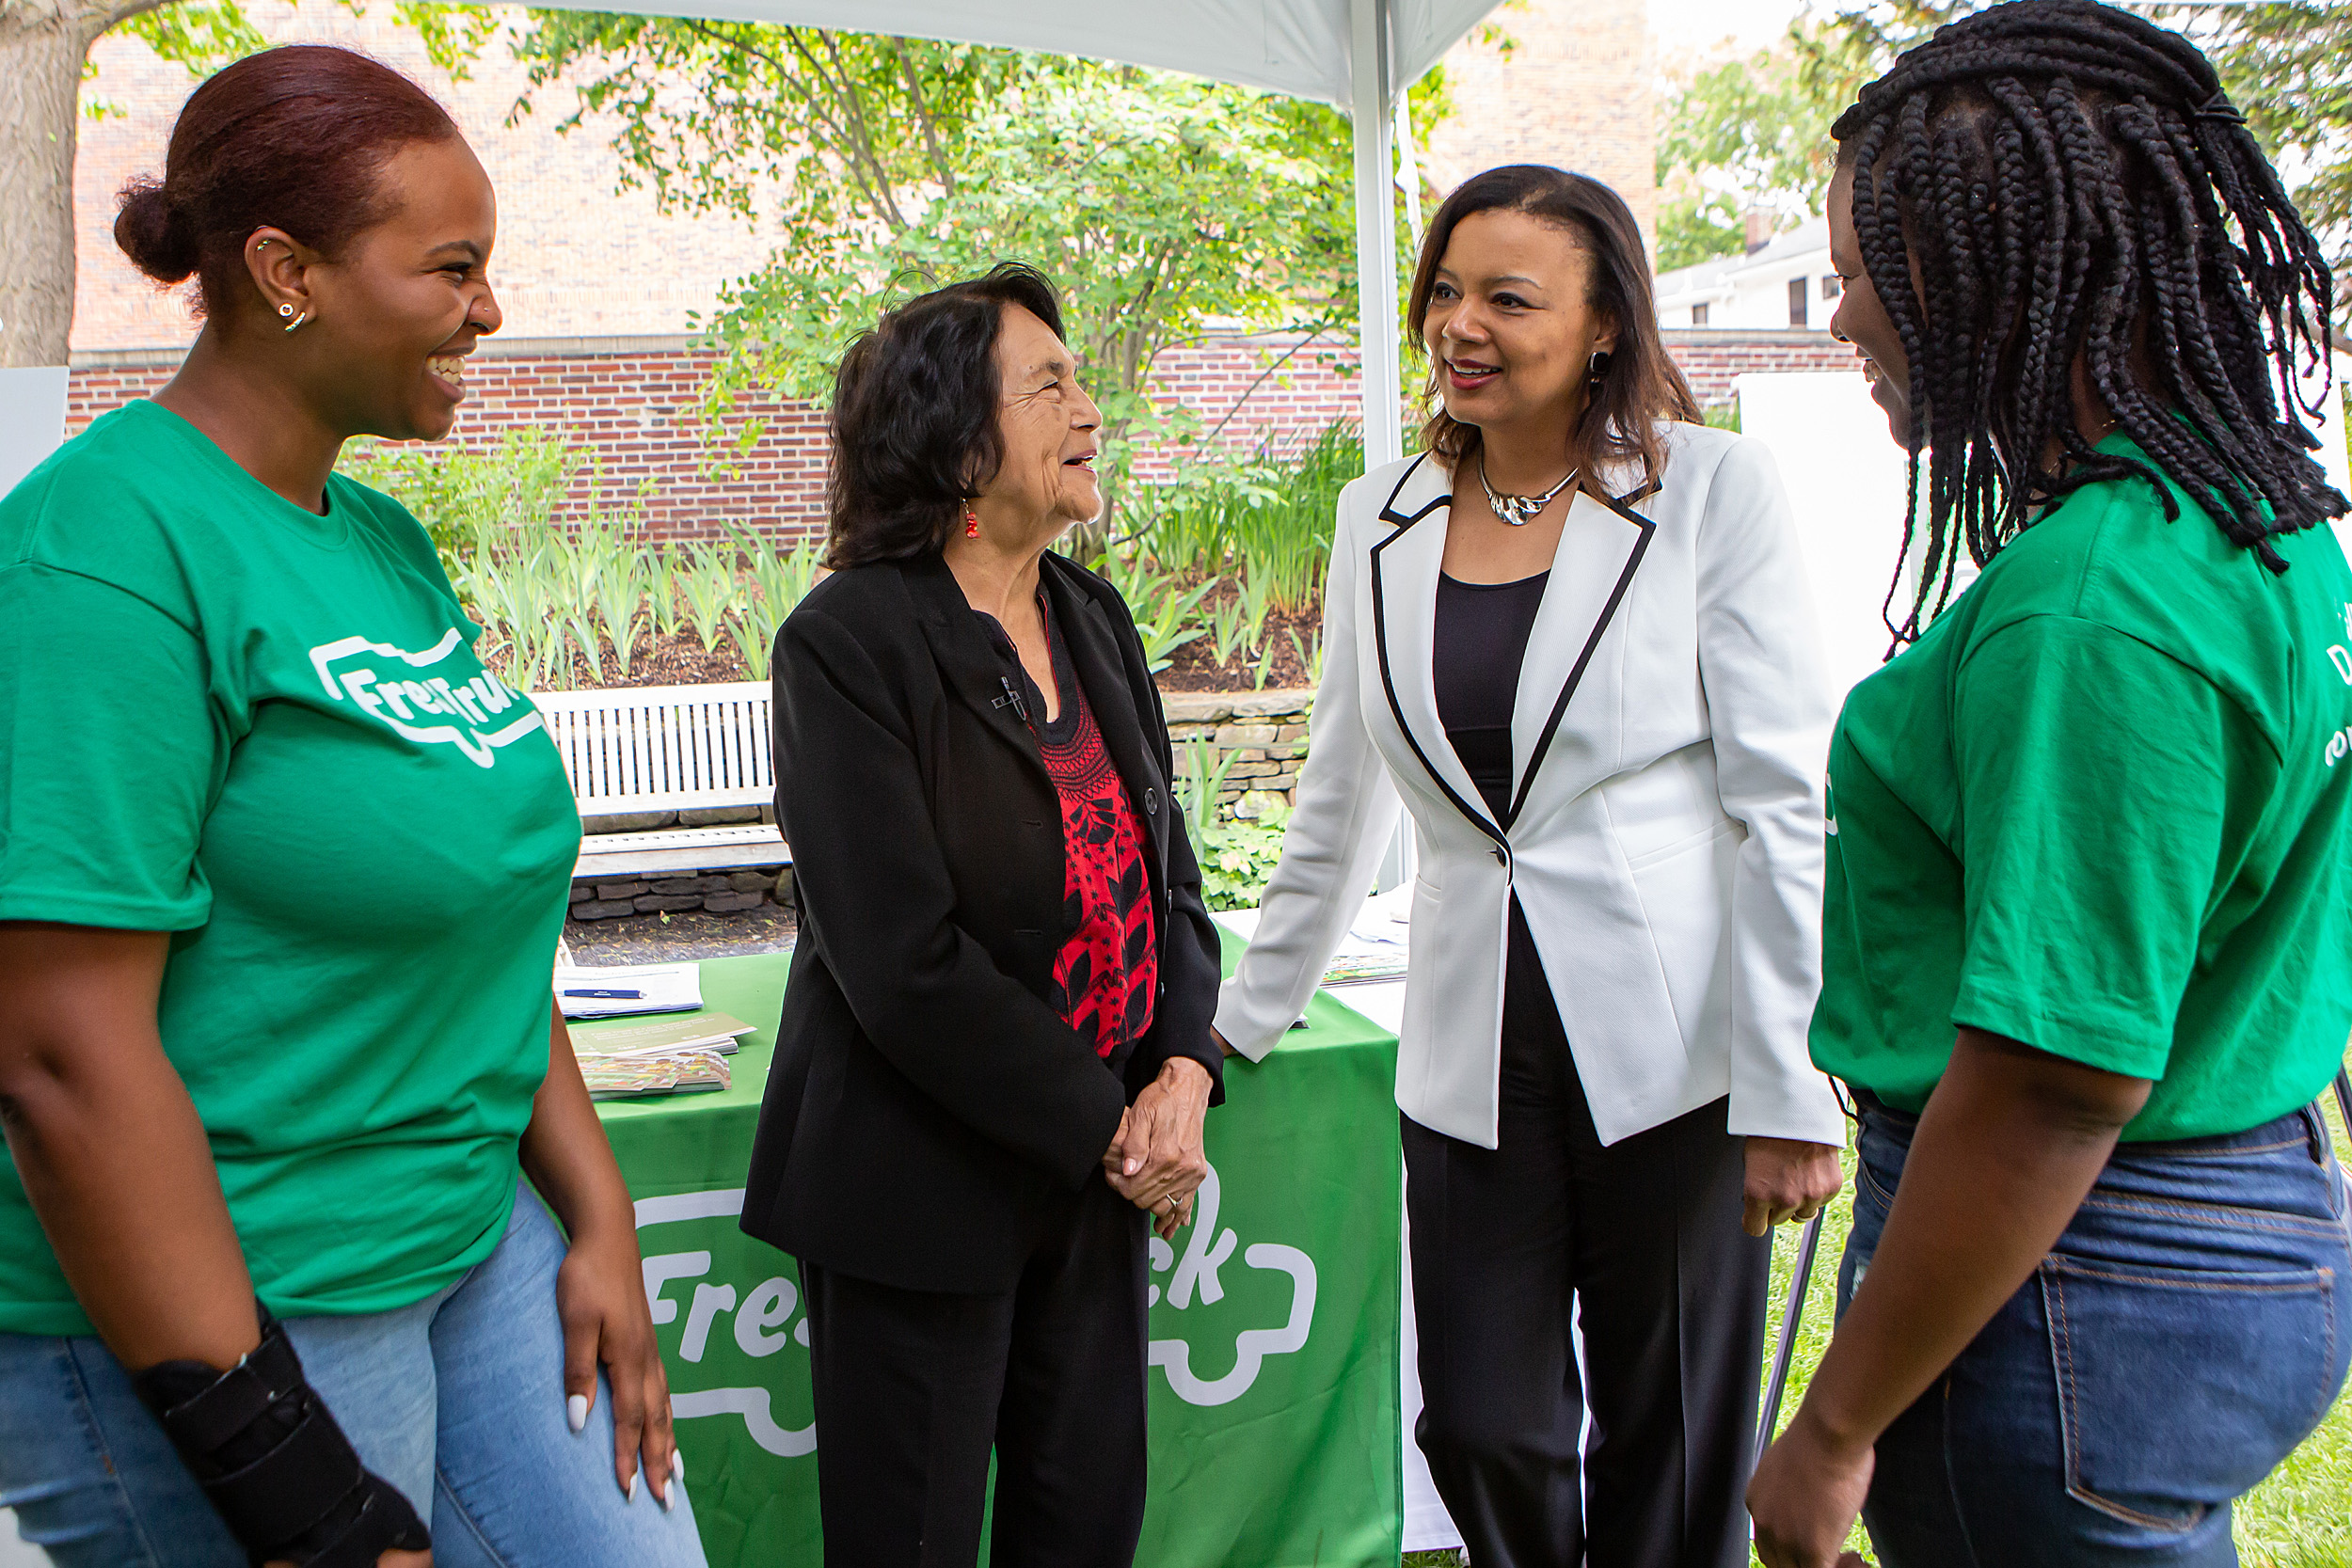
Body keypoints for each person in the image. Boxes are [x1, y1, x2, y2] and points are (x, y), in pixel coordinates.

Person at [0, 46, 706, 1568]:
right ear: (283, 271)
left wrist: (598, 1218)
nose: (490, 313)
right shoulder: (100, 557)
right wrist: (290, 1485)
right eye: (451, 268)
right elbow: (59, 1054)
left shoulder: (380, 541)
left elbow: (480, 921)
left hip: (470, 1238)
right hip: (247, 1304)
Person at [1745, 6, 2352, 1565]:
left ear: (1965, 270)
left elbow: (2056, 1084)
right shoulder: (2257, 525)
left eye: (1860, 271)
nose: (1846, 319)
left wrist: (1830, 1432)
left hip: (2074, 1284)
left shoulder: (2098, 609)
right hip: (2225, 1226)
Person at [1214, 165, 1846, 1568]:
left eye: (1508, 296)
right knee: (1484, 1424)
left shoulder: (1709, 490)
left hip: (1677, 1051)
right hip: (1466, 1049)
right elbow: (1339, 800)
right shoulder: (1378, 516)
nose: (1459, 324)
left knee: (1672, 1432)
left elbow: (1781, 801)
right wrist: (1234, 1023)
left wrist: (1792, 1079)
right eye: (1444, 289)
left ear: (1607, 322)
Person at [739, 261, 1225, 1568]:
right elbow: (902, 964)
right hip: (923, 1187)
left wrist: (1181, 1068)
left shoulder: (1093, 615)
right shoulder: (847, 643)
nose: (1089, 408)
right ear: (958, 442)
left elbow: (1168, 876)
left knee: (1085, 1529)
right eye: (1050, 384)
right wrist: (1108, 1126)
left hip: (1096, 1184)